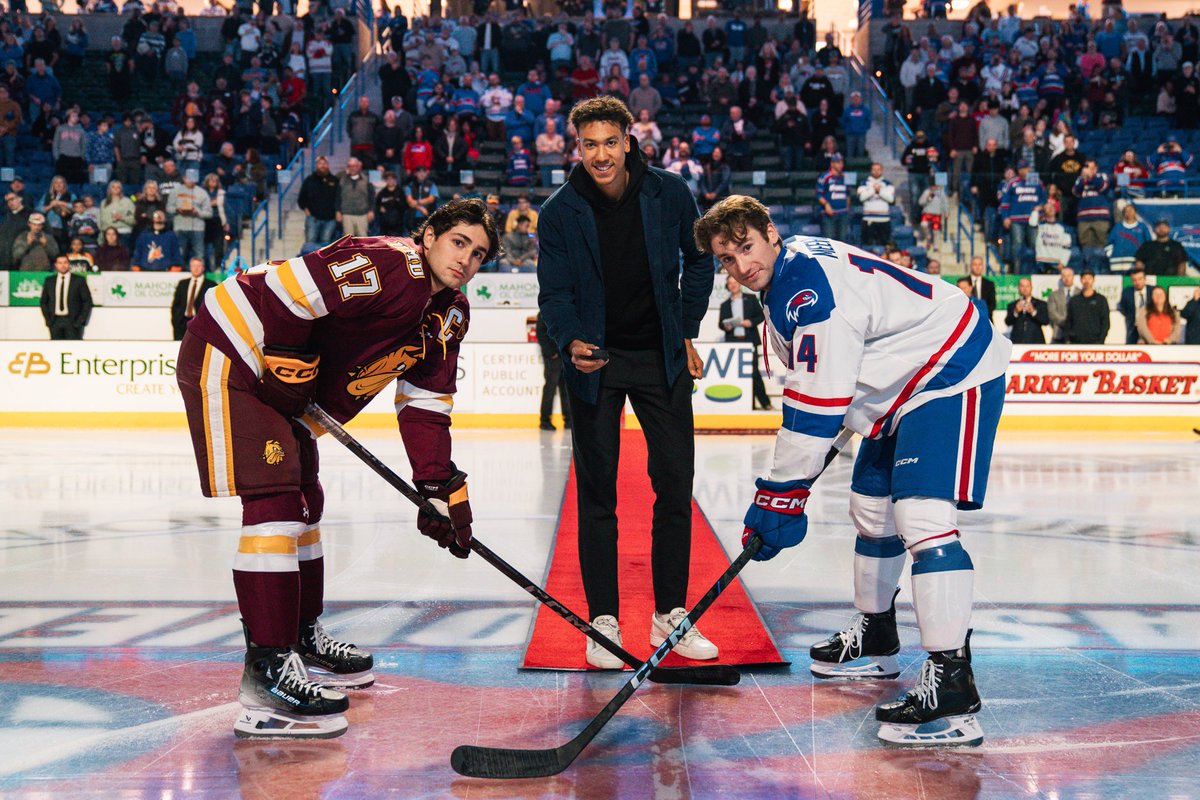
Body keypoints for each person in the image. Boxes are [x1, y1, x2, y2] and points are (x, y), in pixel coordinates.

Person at [694, 195, 1011, 748]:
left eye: (746, 247)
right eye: (727, 258)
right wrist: (787, 490)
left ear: (771, 231)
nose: (741, 266)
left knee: (921, 518)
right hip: (902, 383)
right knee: (870, 507)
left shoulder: (806, 291)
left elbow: (817, 403)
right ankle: (878, 636)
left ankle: (954, 685)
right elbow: (829, 392)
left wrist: (779, 495)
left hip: (950, 367)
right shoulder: (784, 278)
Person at [175, 199, 500, 739]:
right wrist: (287, 358)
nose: (466, 259)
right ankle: (266, 676)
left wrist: (436, 484)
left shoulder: (451, 314)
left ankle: (300, 638)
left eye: (479, 253)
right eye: (458, 242)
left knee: (307, 503)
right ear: (429, 236)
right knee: (276, 504)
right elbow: (289, 290)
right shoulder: (389, 262)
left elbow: (424, 402)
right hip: (236, 353)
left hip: (286, 388)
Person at [537, 96, 717, 669]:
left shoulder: (671, 192)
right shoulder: (559, 211)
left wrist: (686, 329)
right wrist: (570, 339)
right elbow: (554, 294)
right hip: (595, 364)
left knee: (675, 484)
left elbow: (700, 260)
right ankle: (603, 621)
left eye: (610, 142)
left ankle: (671, 613)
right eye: (589, 144)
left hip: (660, 357)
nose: (601, 155)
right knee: (597, 494)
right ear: (577, 147)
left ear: (629, 140)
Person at [718, 273, 772, 410]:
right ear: (727, 286)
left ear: (739, 284)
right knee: (735, 375)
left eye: (734, 282)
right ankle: (741, 405)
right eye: (730, 283)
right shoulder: (725, 305)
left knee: (754, 373)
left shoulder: (751, 299)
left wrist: (750, 322)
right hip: (733, 344)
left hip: (749, 342)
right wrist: (726, 326)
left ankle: (765, 403)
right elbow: (720, 324)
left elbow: (761, 315)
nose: (733, 285)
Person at [40, 254, 93, 340]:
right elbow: (43, 302)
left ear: (69, 264)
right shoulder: (49, 281)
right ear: (56, 265)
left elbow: (87, 301)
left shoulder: (79, 280)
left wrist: (79, 321)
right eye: (60, 263)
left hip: (72, 321)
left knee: (73, 347)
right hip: (55, 321)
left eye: (65, 262)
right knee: (56, 347)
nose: (63, 265)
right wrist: (49, 320)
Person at [536, 312, 571, 431]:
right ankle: (545, 420)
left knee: (565, 389)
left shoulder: (561, 311)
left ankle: (568, 420)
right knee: (550, 389)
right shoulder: (544, 313)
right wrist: (551, 353)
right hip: (553, 358)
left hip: (563, 356)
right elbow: (541, 335)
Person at [171, 256, 215, 341]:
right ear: (190, 268)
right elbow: (176, 305)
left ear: (203, 268)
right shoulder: (182, 284)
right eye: (194, 266)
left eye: (198, 266)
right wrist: (176, 320)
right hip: (182, 324)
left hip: (201, 325)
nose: (196, 268)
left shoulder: (211, 285)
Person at [298, 156, 340, 245]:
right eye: (320, 163)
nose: (322, 165)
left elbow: (339, 198)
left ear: (328, 165)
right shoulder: (309, 180)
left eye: (325, 163)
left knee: (326, 243)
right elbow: (302, 198)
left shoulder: (335, 180)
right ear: (316, 165)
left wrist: (337, 212)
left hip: (330, 219)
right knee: (310, 243)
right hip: (313, 219)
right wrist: (307, 211)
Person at [1066, 269, 1111, 343]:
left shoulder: (1101, 300)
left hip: (1095, 342)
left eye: (1089, 278)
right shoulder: (1074, 300)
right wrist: (1070, 337)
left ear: (1093, 280)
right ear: (1081, 280)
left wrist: (1101, 340)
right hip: (1076, 343)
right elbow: (1068, 321)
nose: (1086, 281)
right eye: (1084, 278)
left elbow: (1105, 322)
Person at [1005, 276, 1050, 344]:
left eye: (1027, 286)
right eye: (1022, 286)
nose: (1025, 289)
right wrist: (1016, 312)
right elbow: (1007, 322)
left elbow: (1045, 321)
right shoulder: (1013, 305)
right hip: (1017, 341)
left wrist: (1033, 312)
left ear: (1031, 287)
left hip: (1035, 341)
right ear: (1018, 288)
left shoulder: (1041, 304)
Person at [1118, 267, 1151, 344]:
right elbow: (1123, 308)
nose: (1137, 282)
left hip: (1150, 328)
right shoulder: (1127, 292)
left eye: (1140, 279)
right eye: (1134, 280)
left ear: (1145, 279)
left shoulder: (1152, 291)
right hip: (1133, 328)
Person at [1047, 266, 1078, 343]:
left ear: (1073, 277)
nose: (1066, 278)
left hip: (1077, 333)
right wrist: (1065, 323)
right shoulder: (1054, 295)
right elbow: (1052, 312)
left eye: (1069, 276)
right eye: (1064, 276)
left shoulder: (1080, 293)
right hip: (1059, 333)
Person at [966, 256, 997, 321]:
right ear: (971, 266)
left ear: (983, 266)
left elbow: (992, 304)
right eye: (975, 264)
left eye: (980, 264)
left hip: (985, 319)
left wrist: (982, 314)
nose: (977, 267)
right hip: (968, 320)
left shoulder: (989, 284)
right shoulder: (964, 283)